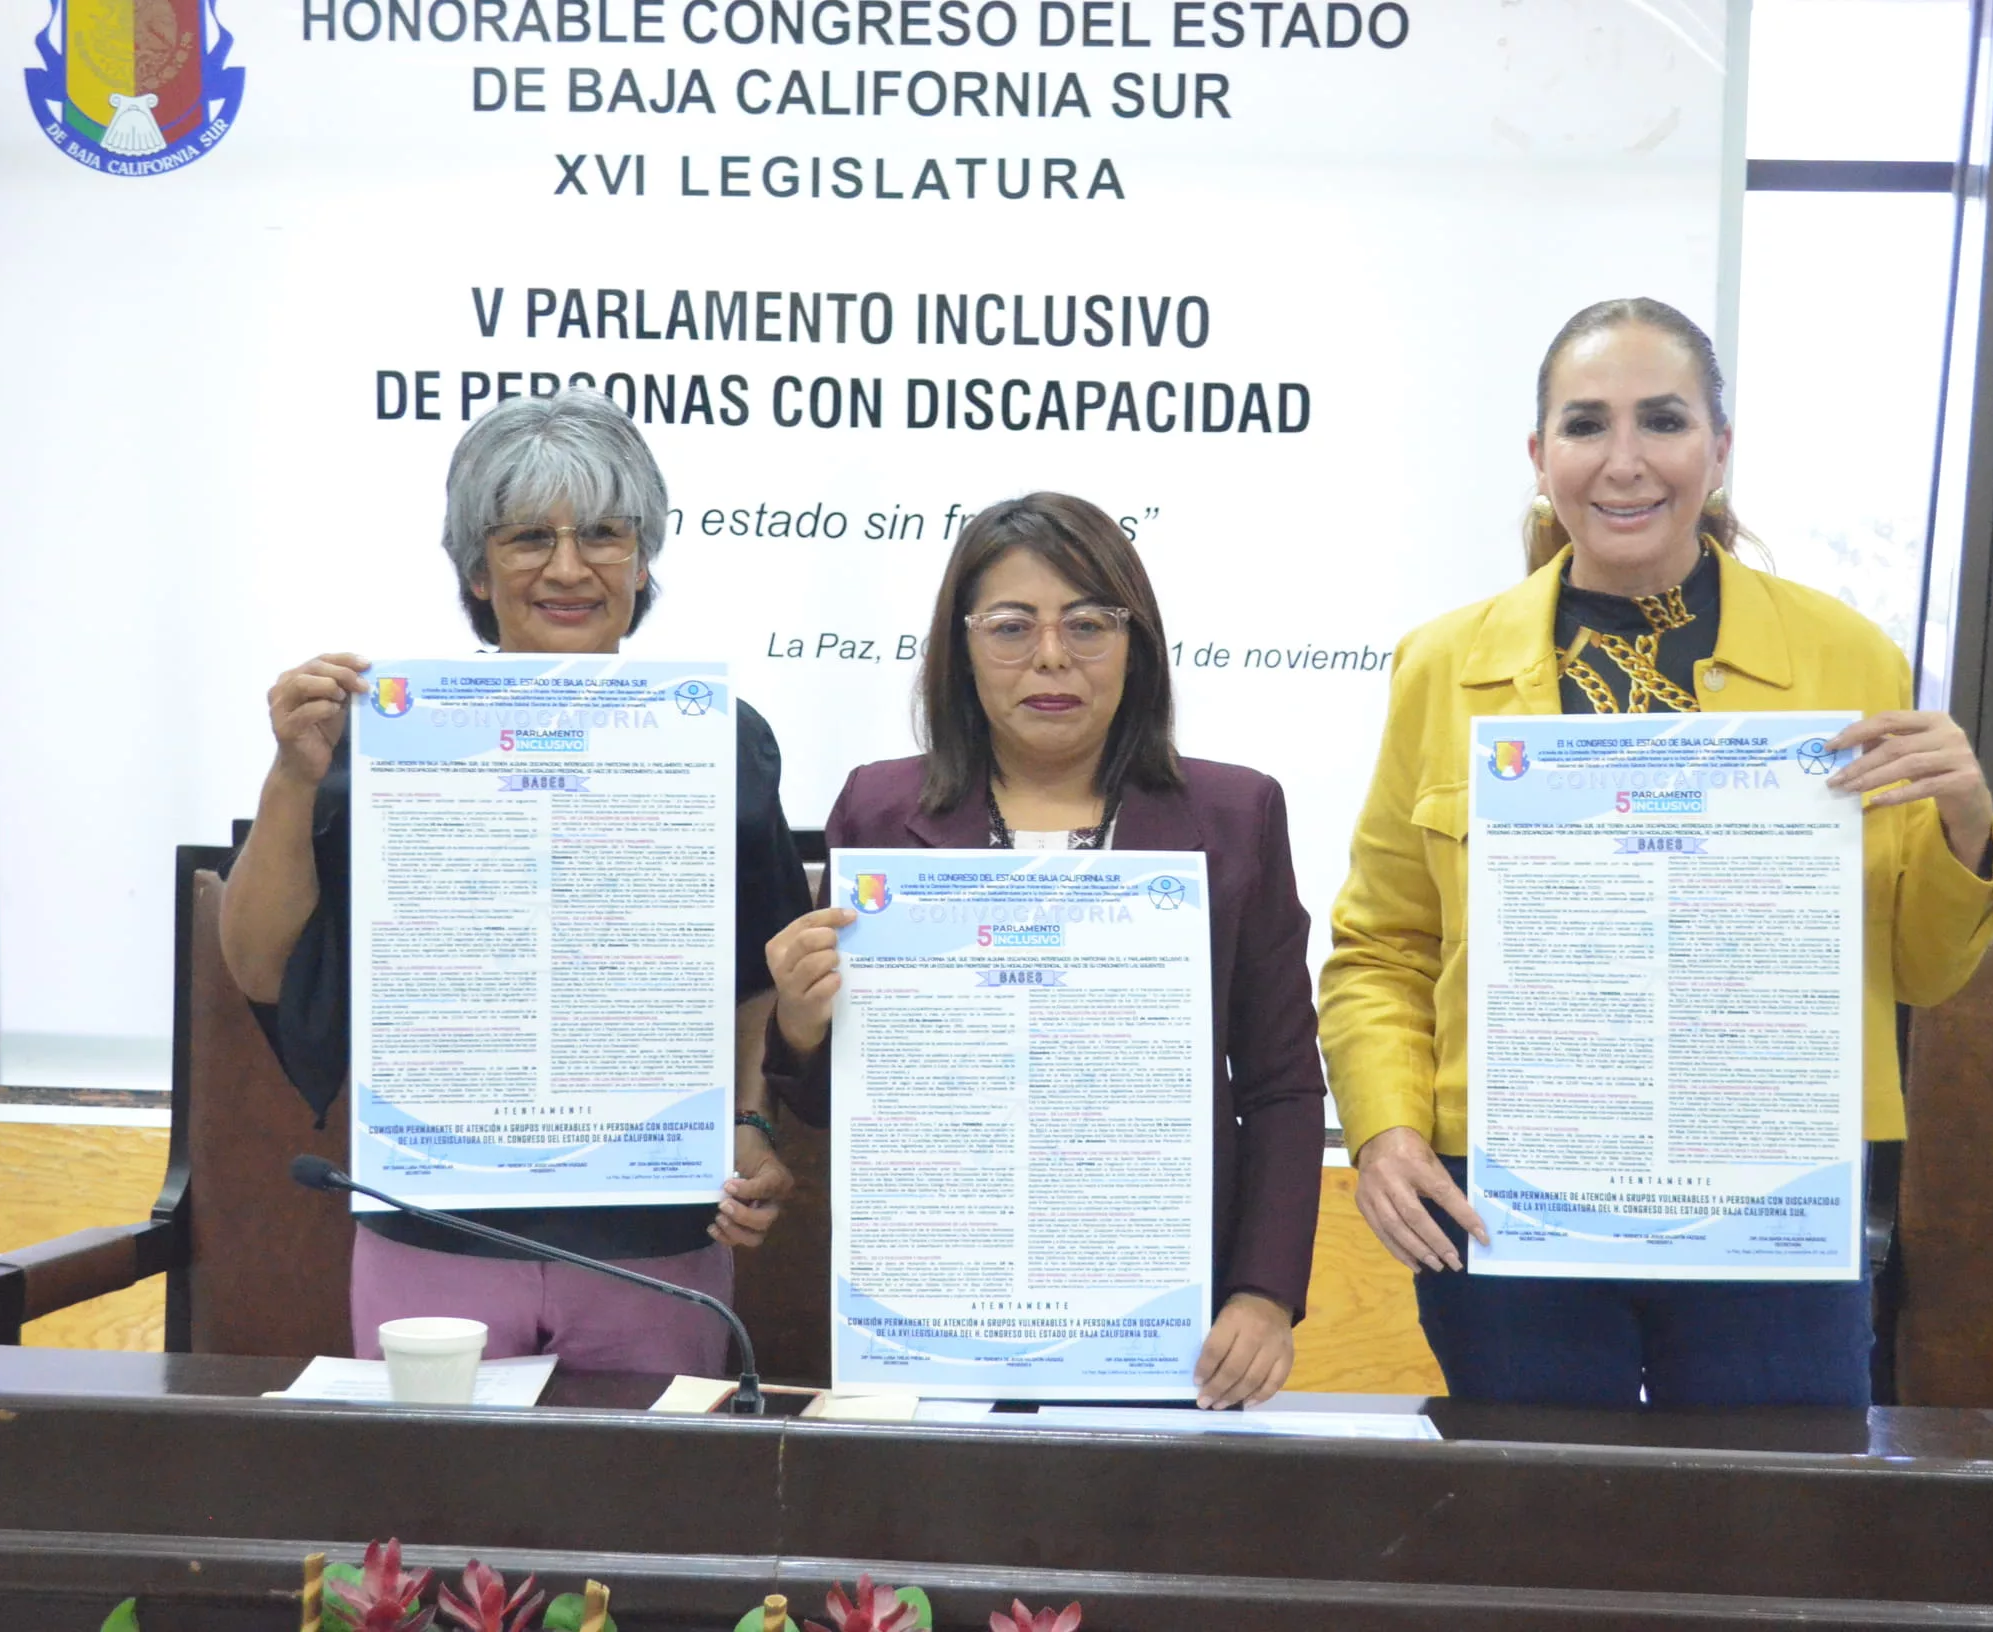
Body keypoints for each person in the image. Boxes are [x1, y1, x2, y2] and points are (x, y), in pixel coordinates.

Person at [1321, 297, 1993, 1408]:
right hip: (1509, 1205)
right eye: (1586, 425)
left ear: (1720, 449)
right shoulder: (1442, 665)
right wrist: (1385, 1130)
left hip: (1770, 1204)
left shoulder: (1847, 657)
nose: (1625, 460)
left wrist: (1966, 824)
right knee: (1540, 1505)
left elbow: (1922, 973)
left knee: (1767, 1505)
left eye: (1664, 420)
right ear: (1539, 456)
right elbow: (1383, 949)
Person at [219, 390, 813, 1374]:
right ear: (475, 567)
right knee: (442, 1471)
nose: (569, 568)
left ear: (644, 560)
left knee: (653, 1469)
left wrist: (750, 1122)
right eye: (530, 536)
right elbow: (259, 964)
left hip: (656, 1229)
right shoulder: (382, 736)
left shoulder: (717, 737)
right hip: (436, 1224)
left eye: (605, 535)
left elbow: (757, 975)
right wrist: (292, 773)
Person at [762, 493, 1327, 1409]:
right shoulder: (878, 811)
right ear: (961, 649)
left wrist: (1263, 1295)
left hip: (1154, 1326)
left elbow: (1281, 1087)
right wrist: (798, 1022)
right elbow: (843, 1107)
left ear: (1137, 645)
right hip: (931, 1307)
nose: (1053, 657)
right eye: (1012, 627)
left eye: (1089, 624)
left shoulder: (1236, 815)